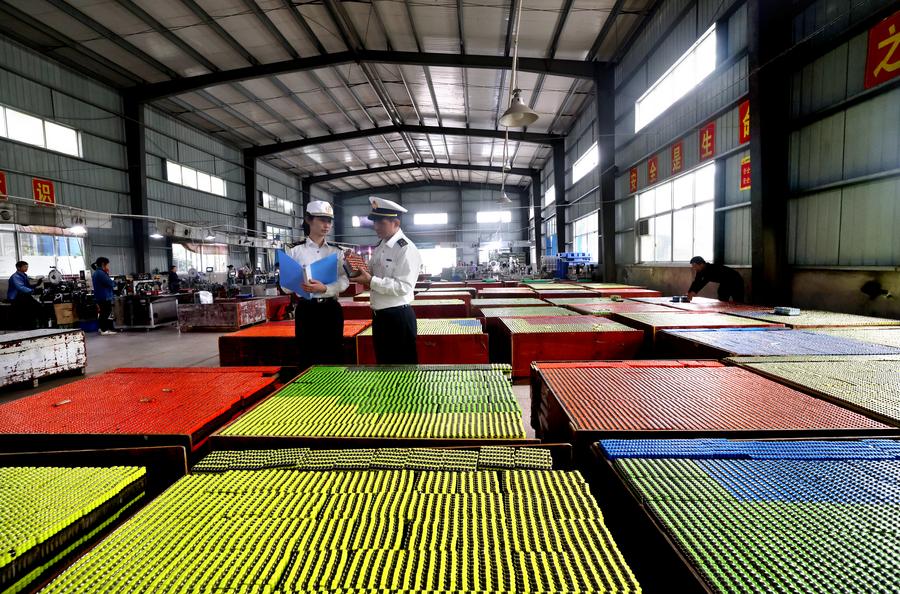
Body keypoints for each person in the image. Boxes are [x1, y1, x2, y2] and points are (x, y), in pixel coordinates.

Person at [352, 197, 422, 364]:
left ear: (395, 223)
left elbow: (404, 286)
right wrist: (356, 267)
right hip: (380, 317)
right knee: (384, 367)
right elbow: (371, 272)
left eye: (380, 223)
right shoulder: (381, 246)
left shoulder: (406, 249)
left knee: (404, 371)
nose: (375, 227)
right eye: (374, 222)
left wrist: (371, 280)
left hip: (398, 318)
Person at [285, 200, 349, 370]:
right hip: (307, 310)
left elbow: (344, 280)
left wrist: (325, 288)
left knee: (334, 354)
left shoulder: (337, 251)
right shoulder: (293, 250)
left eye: (329, 221)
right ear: (308, 219)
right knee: (307, 355)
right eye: (321, 220)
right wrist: (299, 283)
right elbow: (284, 286)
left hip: (331, 309)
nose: (326, 225)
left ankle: (336, 395)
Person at [7, 260, 43, 329]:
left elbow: (27, 286)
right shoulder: (15, 277)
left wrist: (37, 284)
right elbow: (21, 287)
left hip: (23, 296)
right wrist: (33, 291)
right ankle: (27, 326)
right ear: (18, 267)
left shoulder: (24, 275)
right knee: (31, 308)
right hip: (16, 297)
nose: (26, 268)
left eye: (27, 267)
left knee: (37, 306)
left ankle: (32, 325)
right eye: (24, 267)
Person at [92, 257, 117, 335]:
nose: (108, 267)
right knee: (106, 312)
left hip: (99, 296)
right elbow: (110, 283)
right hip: (104, 296)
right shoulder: (101, 273)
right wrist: (114, 282)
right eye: (107, 265)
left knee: (103, 312)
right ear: (103, 264)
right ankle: (104, 329)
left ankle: (101, 328)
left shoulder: (96, 272)